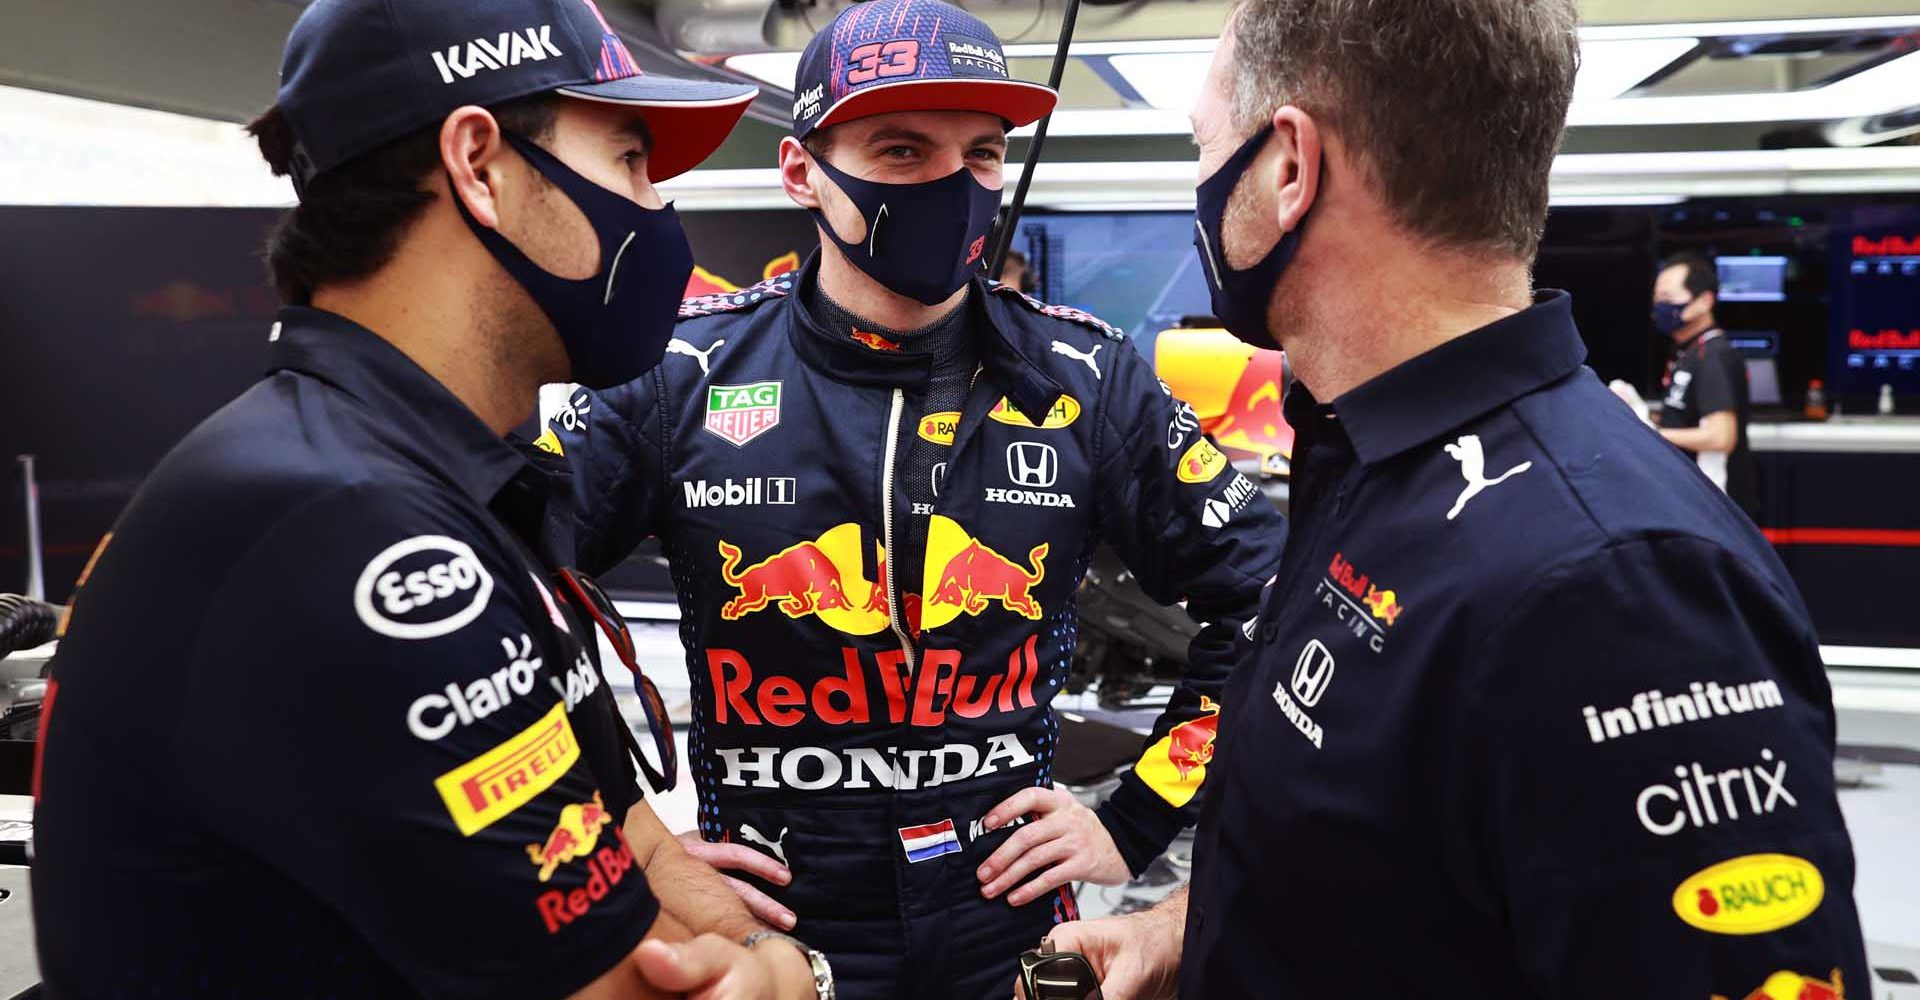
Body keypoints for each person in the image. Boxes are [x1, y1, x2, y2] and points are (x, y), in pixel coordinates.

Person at [1044, 0, 1868, 997]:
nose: (1200, 186)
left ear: (1289, 168)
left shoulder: (1617, 589)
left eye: (1205, 147)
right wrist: (1192, 931)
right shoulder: (1367, 457)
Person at [30, 2, 834, 998]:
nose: (658, 210)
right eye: (632, 160)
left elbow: (597, 840)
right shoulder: (350, 523)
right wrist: (800, 976)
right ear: (481, 166)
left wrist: (655, 864)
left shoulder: (413, 468)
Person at [534, 1, 1285, 995]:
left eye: (980, 154)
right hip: (771, 928)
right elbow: (493, 593)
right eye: (899, 149)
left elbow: (1276, 596)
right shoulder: (681, 374)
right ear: (800, 170)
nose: (952, 186)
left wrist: (1134, 816)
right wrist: (627, 832)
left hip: (1005, 924)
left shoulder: (1087, 378)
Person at [1653, 252, 1754, 508]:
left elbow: (1721, 437)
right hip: (1689, 494)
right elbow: (1685, 417)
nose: (1661, 307)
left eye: (1669, 298)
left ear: (1705, 301)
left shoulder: (1713, 354)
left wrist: (1653, 434)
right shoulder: (1687, 352)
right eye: (1657, 300)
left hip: (1714, 502)